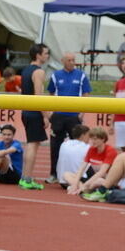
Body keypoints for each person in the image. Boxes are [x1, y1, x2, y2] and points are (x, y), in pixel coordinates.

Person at [66, 127, 125, 200]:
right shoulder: (91, 149)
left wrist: (85, 185)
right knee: (66, 175)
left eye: (95, 139)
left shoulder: (110, 151)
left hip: (109, 180)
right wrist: (76, 183)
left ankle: (87, 188)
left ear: (102, 139)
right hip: (96, 177)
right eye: (91, 139)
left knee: (97, 181)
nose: (92, 141)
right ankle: (80, 188)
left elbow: (102, 172)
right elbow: (82, 168)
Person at [46, 52, 90, 182]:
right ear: (63, 61)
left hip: (74, 117)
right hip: (58, 116)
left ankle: (79, 173)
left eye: (73, 60)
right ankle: (54, 174)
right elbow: (51, 93)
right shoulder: (56, 75)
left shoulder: (81, 75)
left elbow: (86, 95)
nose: (72, 62)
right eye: (69, 60)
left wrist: (82, 113)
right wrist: (50, 112)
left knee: (78, 145)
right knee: (55, 146)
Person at [18, 44, 49, 190]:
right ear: (38, 55)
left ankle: (25, 176)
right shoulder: (39, 72)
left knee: (31, 144)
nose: (47, 56)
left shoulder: (25, 70)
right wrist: (46, 115)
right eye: (46, 53)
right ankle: (27, 178)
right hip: (34, 112)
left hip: (26, 110)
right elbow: (38, 95)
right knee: (33, 145)